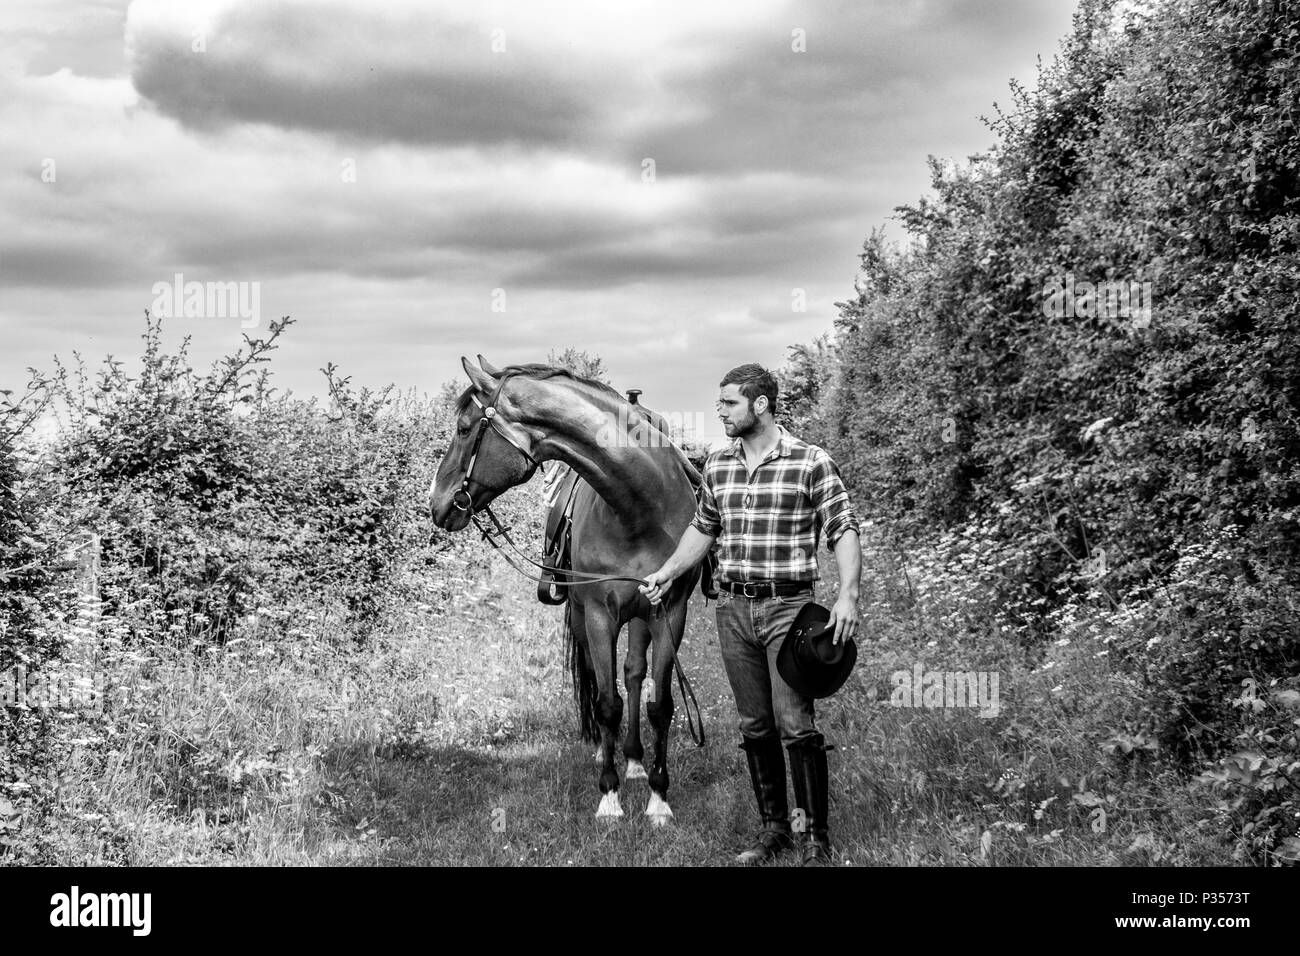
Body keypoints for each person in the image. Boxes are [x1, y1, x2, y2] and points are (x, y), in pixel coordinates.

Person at [640, 363, 861, 866]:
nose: (720, 412)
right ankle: (775, 830)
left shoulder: (810, 461)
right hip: (733, 609)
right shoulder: (719, 464)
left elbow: (843, 527)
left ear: (760, 404)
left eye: (729, 404)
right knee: (754, 724)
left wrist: (848, 595)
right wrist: (669, 572)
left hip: (789, 609)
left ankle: (814, 839)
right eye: (718, 404)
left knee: (795, 724)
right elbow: (703, 528)